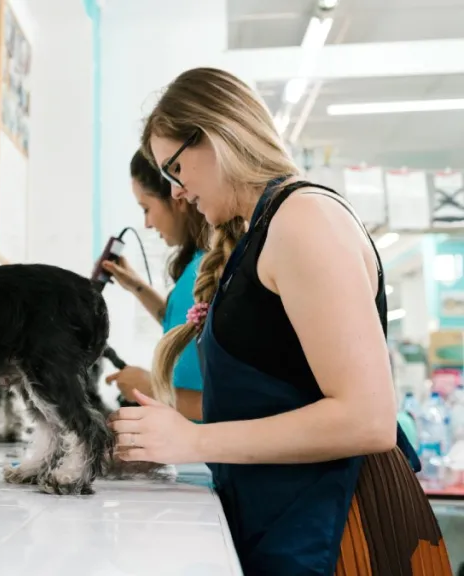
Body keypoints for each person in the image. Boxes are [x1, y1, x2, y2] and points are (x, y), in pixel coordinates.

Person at [109, 66, 451, 575]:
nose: (176, 193)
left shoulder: (304, 219)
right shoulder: (258, 233)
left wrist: (194, 440)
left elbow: (368, 418)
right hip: (281, 520)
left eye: (175, 170)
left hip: (334, 531)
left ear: (217, 136)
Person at [100, 151, 210, 421]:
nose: (147, 223)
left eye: (146, 208)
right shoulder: (197, 265)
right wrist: (137, 287)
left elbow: (226, 410)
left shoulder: (210, 269)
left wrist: (151, 388)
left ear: (177, 196)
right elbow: (180, 324)